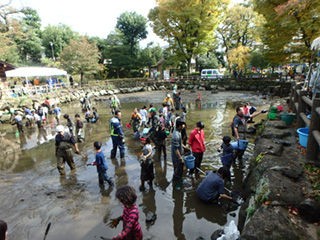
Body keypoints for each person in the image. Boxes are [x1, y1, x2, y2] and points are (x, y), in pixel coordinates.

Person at [171, 120, 186, 189]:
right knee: (177, 169)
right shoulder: (176, 135)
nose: (183, 126)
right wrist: (180, 158)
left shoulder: (178, 131)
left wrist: (184, 147)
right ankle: (175, 184)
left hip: (179, 153)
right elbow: (176, 149)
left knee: (179, 169)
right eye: (182, 125)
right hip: (176, 156)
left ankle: (178, 179)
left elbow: (179, 144)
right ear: (179, 126)